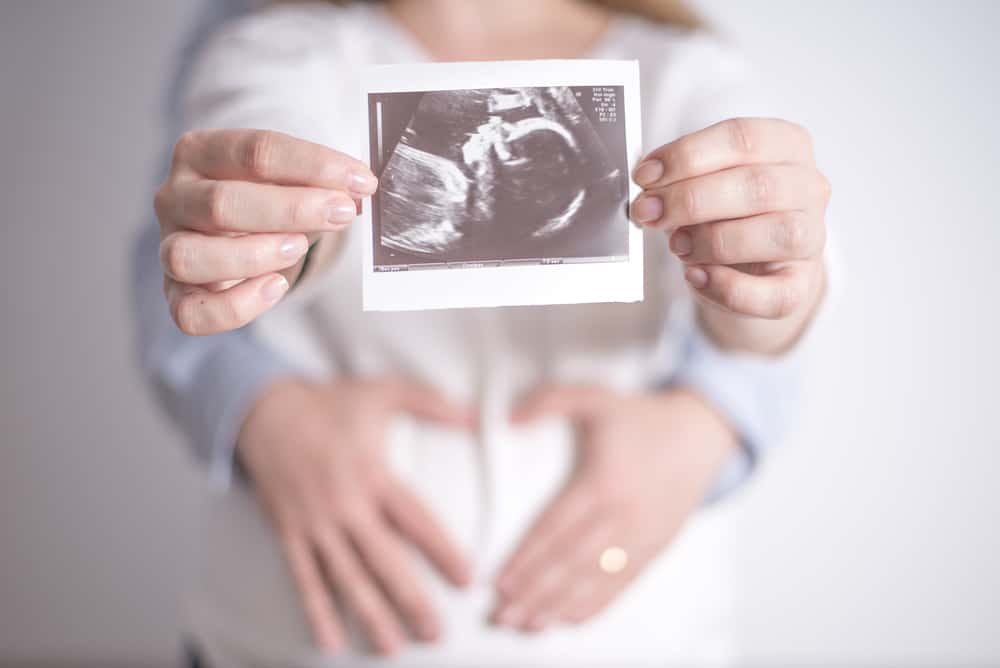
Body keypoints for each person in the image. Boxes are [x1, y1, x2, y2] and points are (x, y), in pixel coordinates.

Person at [134, 0, 830, 665]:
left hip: (640, 638)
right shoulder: (281, 51)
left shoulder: (692, 74)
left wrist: (763, 282)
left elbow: (770, 314)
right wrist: (279, 238)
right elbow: (281, 151)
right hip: (283, 646)